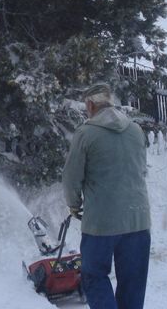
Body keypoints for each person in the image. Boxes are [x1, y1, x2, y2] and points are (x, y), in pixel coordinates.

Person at [62, 82, 151, 309]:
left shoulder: (86, 133)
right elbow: (141, 170)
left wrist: (74, 205)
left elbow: (72, 177)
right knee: (133, 282)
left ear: (91, 104)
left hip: (101, 224)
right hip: (138, 220)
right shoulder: (135, 130)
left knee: (94, 276)